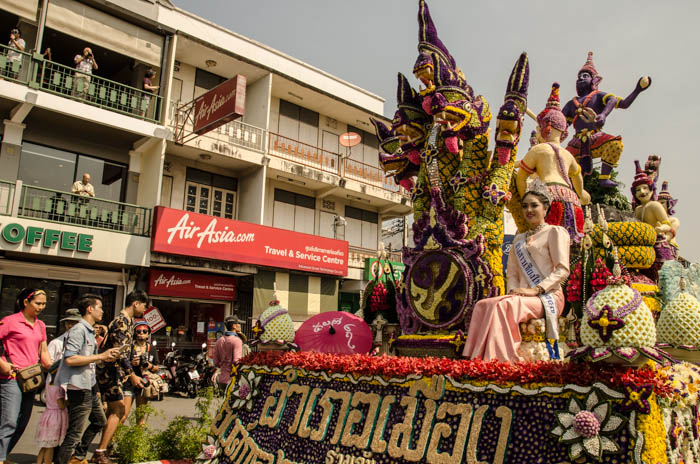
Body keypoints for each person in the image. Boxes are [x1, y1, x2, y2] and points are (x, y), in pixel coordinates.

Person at [463, 180, 570, 362]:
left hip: (548, 296)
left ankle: (502, 360)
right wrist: (513, 292)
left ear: (546, 208)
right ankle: (475, 358)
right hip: (522, 296)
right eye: (525, 206)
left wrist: (536, 290)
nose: (529, 210)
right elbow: (511, 273)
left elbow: (562, 270)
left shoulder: (555, 232)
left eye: (534, 205)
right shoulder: (519, 239)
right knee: (483, 305)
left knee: (504, 306)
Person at [561, 51, 651, 187]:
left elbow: (617, 101)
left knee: (615, 144)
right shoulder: (571, 103)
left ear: (594, 80)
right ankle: (570, 186)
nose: (581, 78)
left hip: (595, 137)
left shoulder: (597, 95)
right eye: (579, 76)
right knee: (561, 160)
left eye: (585, 76)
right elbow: (561, 122)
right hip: (577, 141)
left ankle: (604, 177)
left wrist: (637, 90)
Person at [516, 83, 590, 242]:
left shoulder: (539, 149)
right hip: (572, 201)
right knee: (569, 246)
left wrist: (525, 200)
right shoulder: (568, 154)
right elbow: (577, 176)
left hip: (547, 198)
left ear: (545, 129)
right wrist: (582, 193)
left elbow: (521, 177)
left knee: (537, 244)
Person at [56, 294, 119, 464]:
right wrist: (100, 356)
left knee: (99, 421)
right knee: (74, 433)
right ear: (90, 309)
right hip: (78, 386)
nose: (102, 312)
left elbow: (89, 359)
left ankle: (78, 456)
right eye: (100, 308)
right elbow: (70, 359)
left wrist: (104, 358)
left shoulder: (90, 331)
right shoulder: (79, 330)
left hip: (89, 385)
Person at [0, 289, 53, 464]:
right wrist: (3, 364)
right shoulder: (10, 321)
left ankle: (4, 454)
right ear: (25, 302)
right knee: (9, 421)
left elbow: (43, 352)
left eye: (44, 304)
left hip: (31, 379)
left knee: (22, 422)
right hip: (11, 378)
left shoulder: (40, 325)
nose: (41, 307)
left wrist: (53, 367)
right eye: (38, 303)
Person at [95, 291, 148, 462]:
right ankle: (101, 451)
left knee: (114, 410)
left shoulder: (128, 322)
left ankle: (106, 448)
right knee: (118, 409)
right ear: (136, 304)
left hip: (115, 372)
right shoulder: (121, 322)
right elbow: (119, 352)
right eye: (144, 306)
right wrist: (131, 374)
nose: (144, 310)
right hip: (110, 371)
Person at [122, 320, 157, 425]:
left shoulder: (151, 348)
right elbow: (122, 363)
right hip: (130, 382)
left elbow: (156, 368)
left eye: (144, 331)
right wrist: (132, 363)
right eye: (139, 331)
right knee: (123, 415)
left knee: (141, 417)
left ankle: (137, 440)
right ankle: (113, 439)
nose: (141, 333)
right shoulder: (130, 348)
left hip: (144, 383)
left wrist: (149, 365)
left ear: (148, 334)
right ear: (134, 333)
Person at [34, 376, 67, 464]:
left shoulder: (49, 384)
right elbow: (61, 405)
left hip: (48, 414)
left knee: (45, 445)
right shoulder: (58, 388)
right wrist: (67, 401)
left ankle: (39, 462)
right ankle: (47, 462)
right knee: (51, 446)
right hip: (56, 417)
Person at [213, 315, 243, 392]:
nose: (240, 326)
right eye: (238, 324)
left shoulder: (219, 340)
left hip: (222, 379)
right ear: (234, 326)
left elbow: (216, 362)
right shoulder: (237, 341)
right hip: (232, 380)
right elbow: (237, 361)